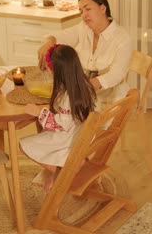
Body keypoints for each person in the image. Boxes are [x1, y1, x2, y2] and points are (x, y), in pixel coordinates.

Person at [38, 0, 132, 111]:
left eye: (88, 9)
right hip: (81, 91)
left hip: (108, 97)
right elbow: (63, 36)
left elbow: (117, 74)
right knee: (49, 108)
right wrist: (50, 41)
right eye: (81, 11)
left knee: (59, 113)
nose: (84, 15)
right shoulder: (83, 27)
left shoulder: (122, 38)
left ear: (102, 8)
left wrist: (87, 85)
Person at [20, 44, 96, 192]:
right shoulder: (83, 84)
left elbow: (62, 124)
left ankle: (63, 174)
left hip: (68, 138)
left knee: (24, 145)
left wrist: (39, 113)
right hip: (80, 133)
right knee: (42, 134)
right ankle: (59, 172)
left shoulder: (67, 96)